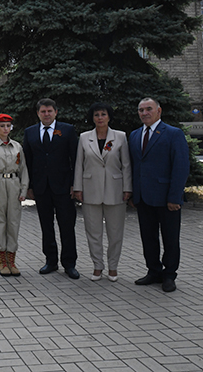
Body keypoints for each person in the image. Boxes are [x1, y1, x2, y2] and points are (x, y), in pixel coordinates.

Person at [129, 98, 189, 292]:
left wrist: (174, 197)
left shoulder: (173, 133)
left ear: (158, 111)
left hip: (166, 198)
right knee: (148, 237)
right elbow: (134, 167)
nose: (144, 113)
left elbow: (180, 167)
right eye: (141, 110)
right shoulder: (135, 135)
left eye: (149, 109)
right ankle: (153, 271)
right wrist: (133, 194)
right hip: (143, 198)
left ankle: (169, 275)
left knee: (170, 238)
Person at [73, 103, 132, 282]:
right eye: (96, 114)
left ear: (109, 117)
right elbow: (78, 165)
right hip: (90, 190)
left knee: (115, 233)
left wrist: (127, 188)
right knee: (93, 232)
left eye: (103, 114)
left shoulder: (120, 137)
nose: (100, 117)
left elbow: (126, 165)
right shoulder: (84, 138)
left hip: (115, 191)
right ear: (92, 117)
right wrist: (78, 188)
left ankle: (113, 267)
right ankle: (97, 266)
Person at [23, 98, 80, 279]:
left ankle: (69, 264)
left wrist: (74, 184)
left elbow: (75, 159)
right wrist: (29, 186)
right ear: (38, 113)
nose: (46, 114)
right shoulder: (30, 132)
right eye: (43, 111)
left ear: (56, 112)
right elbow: (27, 161)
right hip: (41, 188)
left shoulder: (67, 130)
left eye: (49, 111)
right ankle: (51, 261)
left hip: (64, 187)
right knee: (46, 226)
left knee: (67, 226)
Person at [0, 114, 29, 276]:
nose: (5, 129)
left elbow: (23, 169)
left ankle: (12, 261)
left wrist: (23, 190)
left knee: (13, 223)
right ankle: (2, 262)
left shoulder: (17, 147)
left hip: (14, 184)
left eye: (8, 126)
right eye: (2, 126)